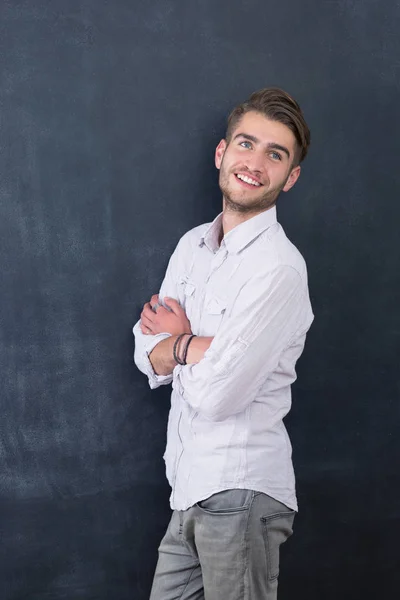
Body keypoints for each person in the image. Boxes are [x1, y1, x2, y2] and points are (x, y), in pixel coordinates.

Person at [133, 87, 313, 600]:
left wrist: (179, 343)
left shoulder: (278, 269)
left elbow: (218, 397)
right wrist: (199, 346)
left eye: (275, 155)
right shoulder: (192, 246)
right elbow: (145, 354)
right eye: (246, 144)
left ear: (290, 176)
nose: (254, 163)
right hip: (188, 489)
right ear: (222, 152)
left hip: (241, 489)